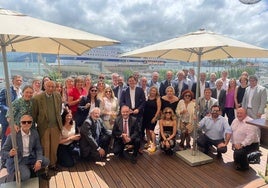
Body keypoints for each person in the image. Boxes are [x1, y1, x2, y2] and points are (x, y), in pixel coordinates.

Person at [2, 115, 50, 181]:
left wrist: (38, 161)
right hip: (19, 160)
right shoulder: (13, 136)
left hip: (31, 157)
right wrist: (10, 154)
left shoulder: (34, 133)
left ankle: (30, 168)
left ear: (32, 123)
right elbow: (3, 151)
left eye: (29, 122)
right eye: (24, 122)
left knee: (46, 161)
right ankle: (19, 173)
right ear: (20, 123)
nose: (26, 124)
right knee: (25, 176)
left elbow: (38, 148)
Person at [32, 80, 62, 170]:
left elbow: (59, 110)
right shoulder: (37, 98)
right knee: (45, 147)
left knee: (54, 146)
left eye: (52, 87)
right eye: (48, 86)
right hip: (44, 126)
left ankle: (53, 164)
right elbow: (34, 114)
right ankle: (45, 167)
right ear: (44, 87)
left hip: (55, 126)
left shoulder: (57, 95)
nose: (50, 88)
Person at [0, 75, 23, 148]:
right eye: (17, 80)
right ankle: (4, 156)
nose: (19, 82)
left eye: (20, 81)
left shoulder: (21, 91)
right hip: (7, 119)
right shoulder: (6, 90)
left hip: (17, 120)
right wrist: (9, 111)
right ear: (13, 81)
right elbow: (1, 103)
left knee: (15, 138)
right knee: (6, 138)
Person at [142, 86, 161, 153]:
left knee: (151, 131)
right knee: (147, 130)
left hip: (153, 117)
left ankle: (154, 145)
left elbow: (159, 109)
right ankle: (148, 143)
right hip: (146, 116)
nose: (153, 92)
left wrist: (155, 117)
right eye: (152, 90)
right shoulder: (147, 97)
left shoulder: (157, 98)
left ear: (156, 92)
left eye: (154, 91)